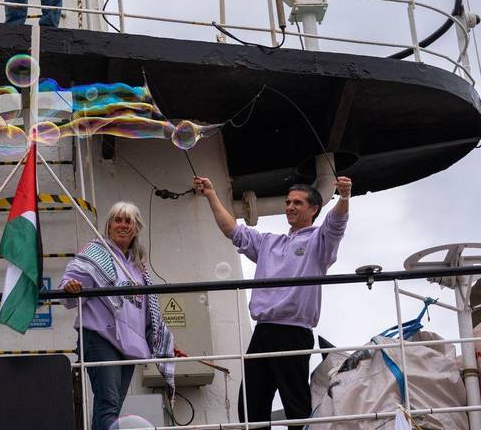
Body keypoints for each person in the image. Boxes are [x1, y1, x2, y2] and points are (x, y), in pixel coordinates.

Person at [193, 174, 353, 426]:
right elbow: (232, 230)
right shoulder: (269, 242)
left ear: (313, 209)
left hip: (293, 331)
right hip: (263, 331)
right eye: (288, 202)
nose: (290, 206)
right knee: (250, 405)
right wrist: (211, 194)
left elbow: (336, 224)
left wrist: (344, 197)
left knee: (295, 404)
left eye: (297, 203)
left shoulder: (319, 241)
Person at [60, 202, 175, 430]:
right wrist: (70, 286)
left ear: (136, 228)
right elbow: (69, 285)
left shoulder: (138, 268)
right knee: (108, 405)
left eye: (128, 221)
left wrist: (158, 338)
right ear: (109, 226)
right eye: (117, 220)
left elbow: (146, 311)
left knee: (113, 407)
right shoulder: (96, 253)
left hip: (130, 344)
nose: (122, 225)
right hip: (101, 338)